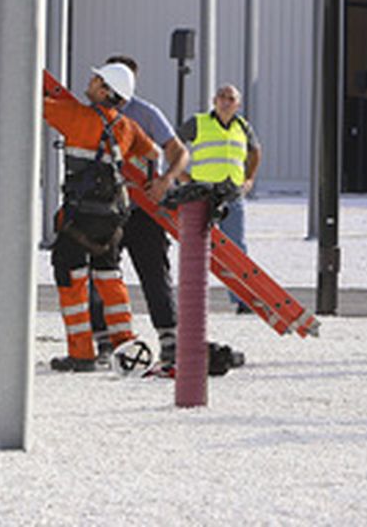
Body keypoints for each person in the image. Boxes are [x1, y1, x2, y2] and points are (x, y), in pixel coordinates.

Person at [45, 62, 158, 372]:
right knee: (109, 277)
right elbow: (153, 154)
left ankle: (81, 353)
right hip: (111, 220)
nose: (91, 81)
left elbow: (29, 100)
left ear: (106, 90)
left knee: (71, 278)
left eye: (96, 79)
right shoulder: (126, 127)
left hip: (77, 218)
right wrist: (152, 180)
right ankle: (125, 344)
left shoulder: (75, 116)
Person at [88, 55, 189, 366]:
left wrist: (166, 180)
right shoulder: (91, 113)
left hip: (143, 209)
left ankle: (169, 338)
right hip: (105, 207)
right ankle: (105, 340)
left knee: (154, 272)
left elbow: (178, 151)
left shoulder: (145, 114)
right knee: (101, 273)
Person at [177, 83, 260, 312]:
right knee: (195, 248)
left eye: (230, 98)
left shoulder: (243, 126)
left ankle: (243, 300)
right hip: (202, 193)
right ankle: (190, 301)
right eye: (221, 96)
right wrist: (181, 175)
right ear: (214, 101)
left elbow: (256, 151)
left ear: (238, 104)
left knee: (236, 247)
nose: (225, 101)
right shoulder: (198, 122)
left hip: (232, 193)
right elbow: (173, 145)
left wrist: (250, 178)